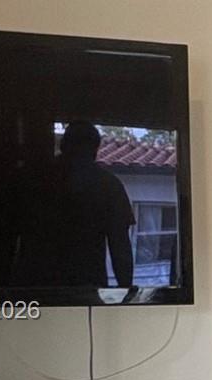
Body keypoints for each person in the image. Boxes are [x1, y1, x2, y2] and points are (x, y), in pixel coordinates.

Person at [12, 121, 135, 289]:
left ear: (63, 145)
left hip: (32, 286)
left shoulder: (32, 179)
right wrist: (126, 292)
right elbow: (120, 246)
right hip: (86, 287)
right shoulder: (108, 185)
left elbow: (7, 236)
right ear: (95, 149)